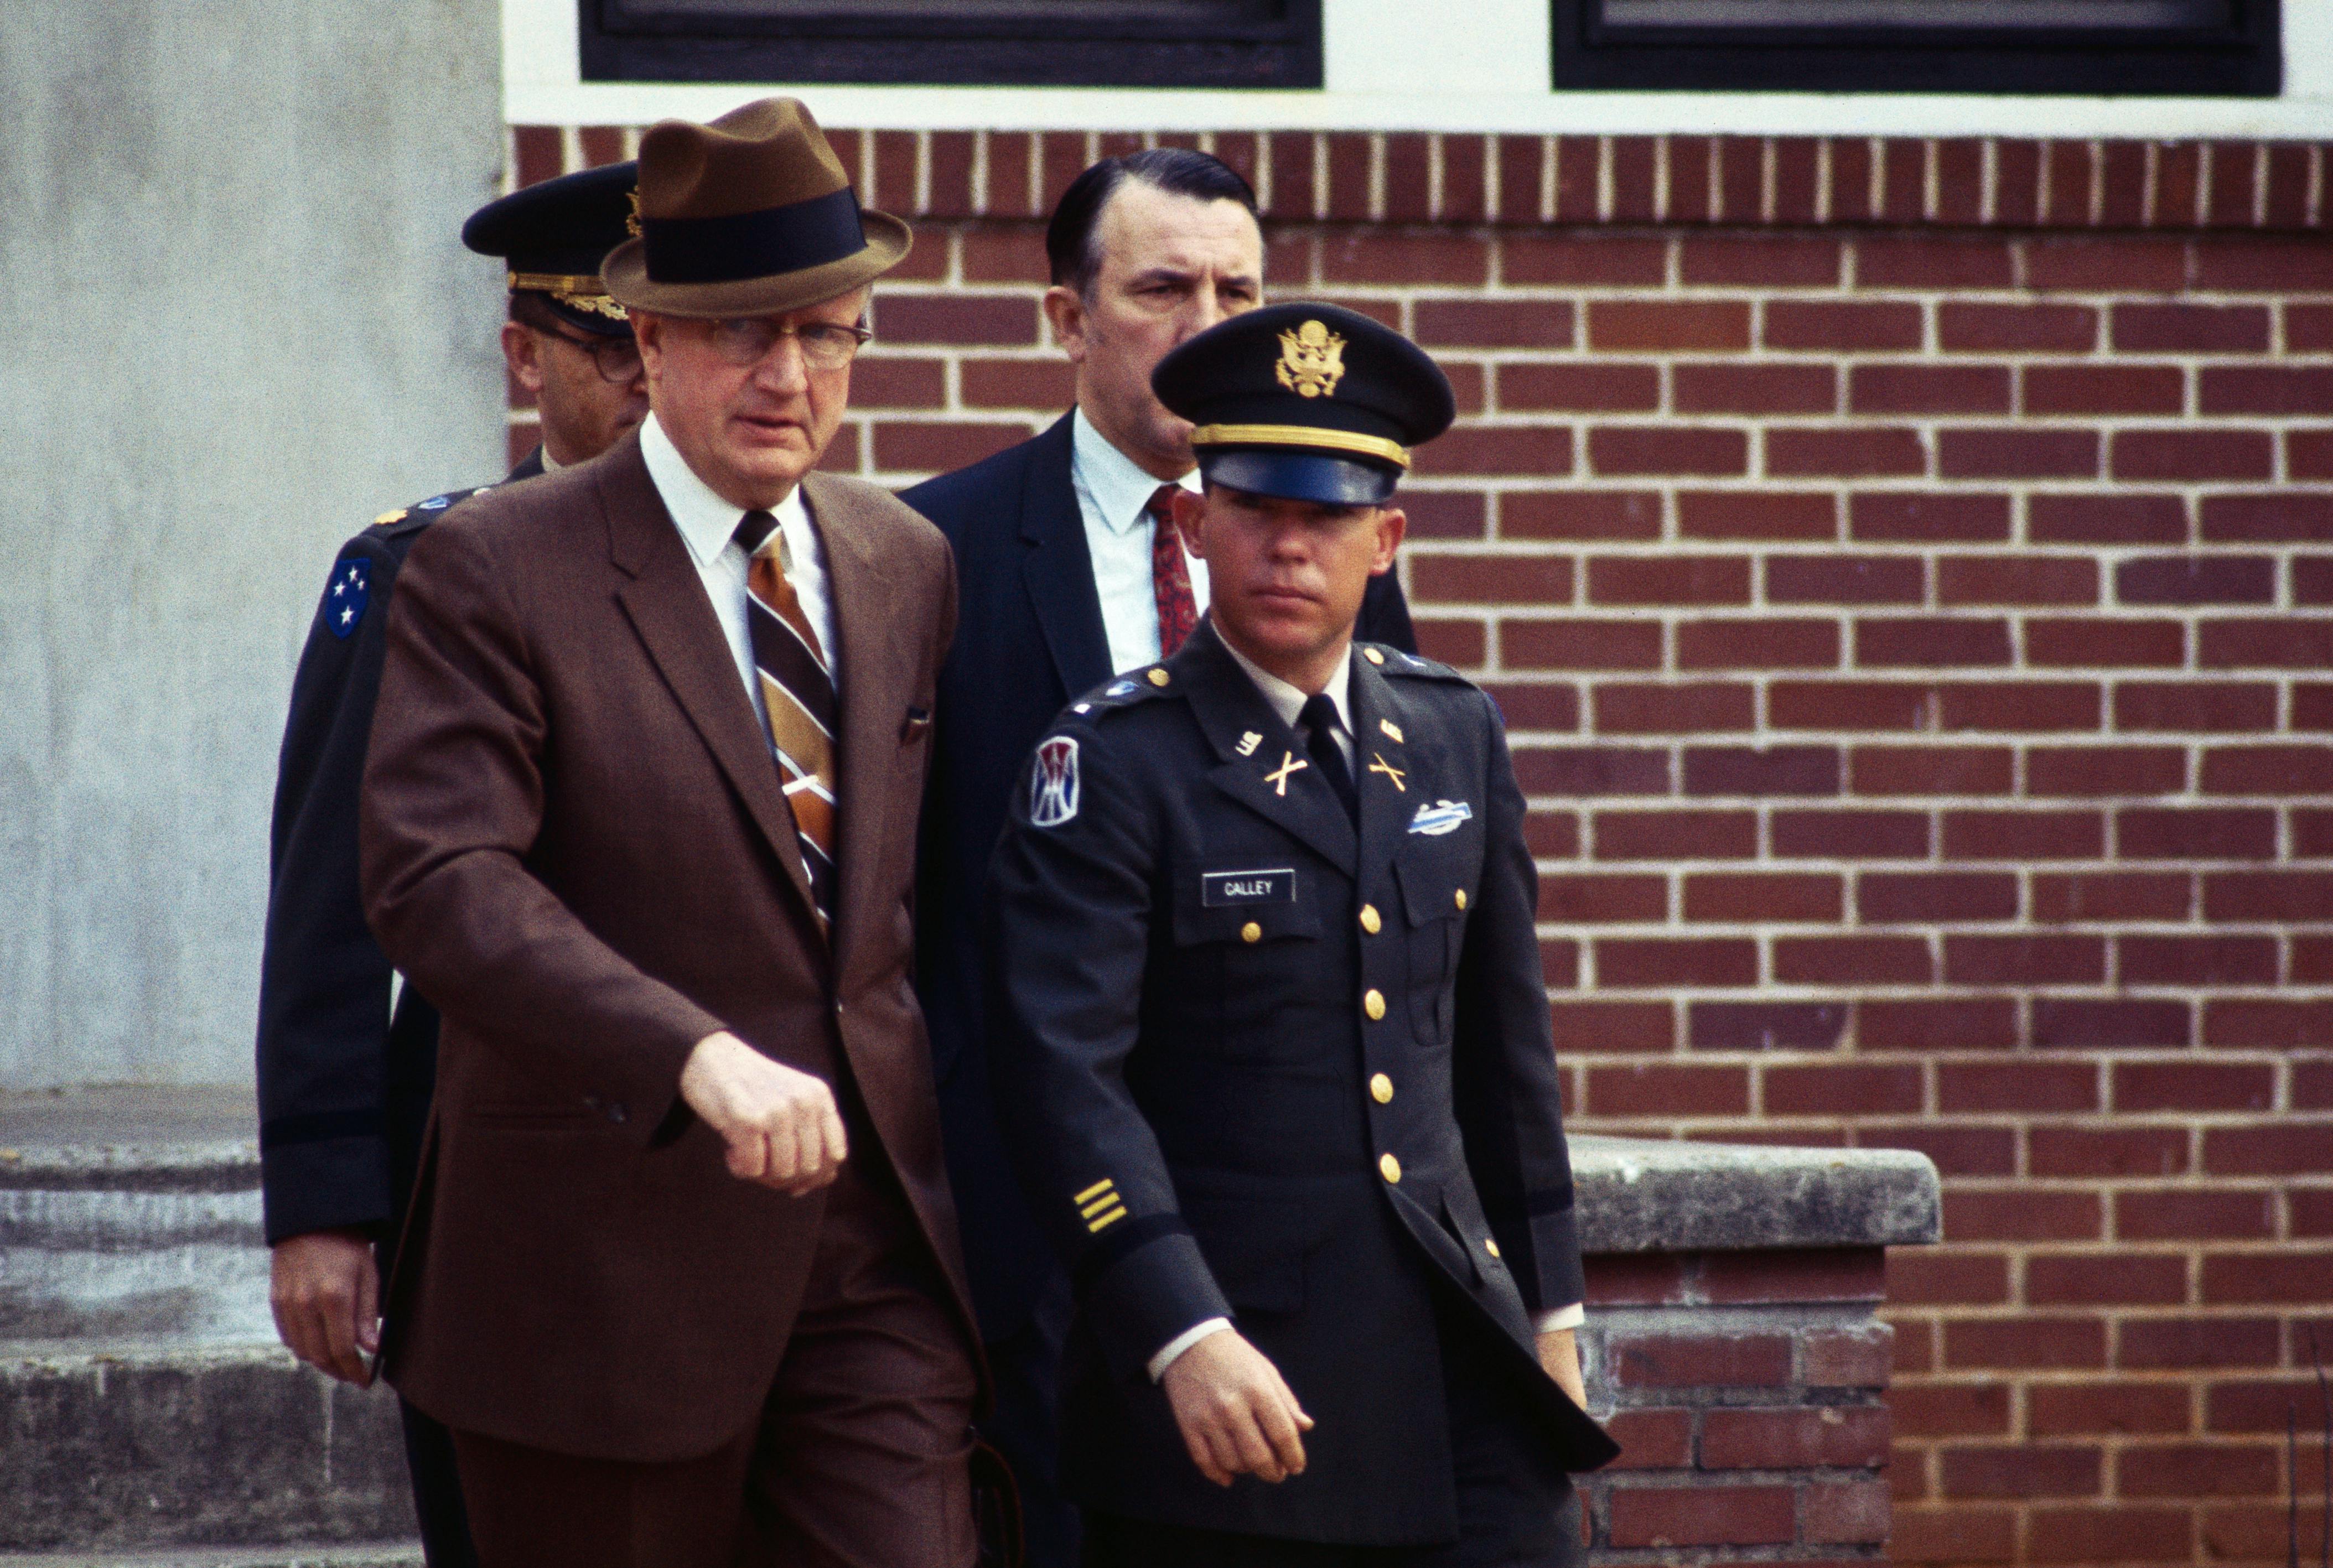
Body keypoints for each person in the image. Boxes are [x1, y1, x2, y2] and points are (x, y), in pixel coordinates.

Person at [358, 98, 979, 1568]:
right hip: (596, 1275)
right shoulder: (493, 568)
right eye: (741, 334)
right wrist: (687, 1053)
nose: (789, 375)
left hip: (870, 1264)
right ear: (648, 344)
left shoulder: (907, 562)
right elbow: (438, 879)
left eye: (826, 333)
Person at [984, 303, 1620, 1568]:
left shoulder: (1451, 732)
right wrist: (1179, 1330)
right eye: (1256, 510)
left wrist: (1552, 1309)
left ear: (1383, 541)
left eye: (1324, 518)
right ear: (1198, 522)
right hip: (1234, 1382)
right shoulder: (1110, 762)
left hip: (1460, 1368)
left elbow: (1503, 1056)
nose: (1287, 548)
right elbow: (1063, 1081)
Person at [900, 149, 1417, 1568]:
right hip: (1022, 1240)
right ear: (1065, 318)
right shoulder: (929, 552)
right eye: (1161, 288)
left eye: (1238, 288)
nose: (1210, 324)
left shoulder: (1336, 561)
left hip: (1285, 1250)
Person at [255, 157, 643, 1568]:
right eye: (611, 344)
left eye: (680, 335)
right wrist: (322, 1200)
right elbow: (332, 904)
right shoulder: (426, 569)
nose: (648, 378)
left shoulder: (805, 583)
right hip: (490, 1183)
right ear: (525, 351)